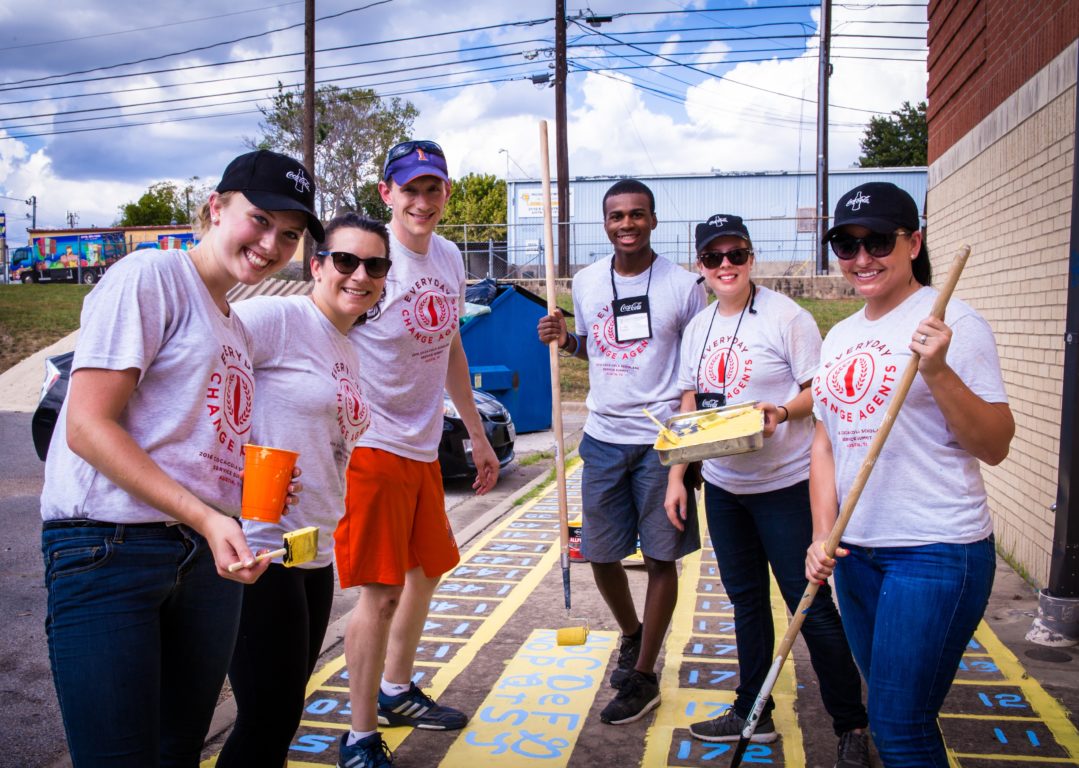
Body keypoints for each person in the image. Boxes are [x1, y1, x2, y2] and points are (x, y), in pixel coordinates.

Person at [39, 149, 322, 767]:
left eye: (291, 234)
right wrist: (208, 517)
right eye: (261, 220)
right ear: (216, 208)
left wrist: (250, 482)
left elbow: (187, 440)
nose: (273, 243)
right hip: (109, 548)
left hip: (205, 563)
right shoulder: (152, 276)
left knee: (177, 754)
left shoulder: (234, 327)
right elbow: (87, 426)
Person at [806, 182, 1014, 767]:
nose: (862, 257)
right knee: (901, 719)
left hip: (935, 549)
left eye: (877, 240)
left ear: (913, 241)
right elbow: (824, 440)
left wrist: (940, 371)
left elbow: (995, 445)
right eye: (846, 244)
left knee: (898, 728)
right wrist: (823, 533)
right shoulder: (842, 335)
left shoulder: (954, 321)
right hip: (858, 555)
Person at [665, 214, 870, 767]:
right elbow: (691, 402)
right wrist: (678, 476)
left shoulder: (788, 317)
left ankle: (852, 725)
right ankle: (752, 712)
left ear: (751, 258)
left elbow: (818, 392)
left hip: (785, 485)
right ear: (701, 266)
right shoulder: (698, 327)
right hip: (725, 488)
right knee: (745, 604)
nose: (725, 265)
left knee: (810, 605)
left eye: (736, 254)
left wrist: (779, 410)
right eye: (713, 257)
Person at [334, 139, 500, 768]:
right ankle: (359, 734)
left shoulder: (451, 257)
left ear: (447, 193)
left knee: (426, 569)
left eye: (433, 189)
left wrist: (476, 434)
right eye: (410, 190)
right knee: (377, 593)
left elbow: (450, 346)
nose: (422, 202)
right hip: (372, 448)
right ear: (387, 194)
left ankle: (398, 689)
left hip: (422, 445)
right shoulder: (373, 265)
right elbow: (328, 338)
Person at [216, 214, 391, 767]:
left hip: (311, 551)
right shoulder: (277, 318)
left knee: (284, 711)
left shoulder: (347, 347)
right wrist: (236, 465)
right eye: (345, 260)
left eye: (375, 265)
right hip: (258, 547)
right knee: (267, 716)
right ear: (316, 266)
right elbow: (195, 373)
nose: (360, 274)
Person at [536, 179, 705, 725]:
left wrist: (688, 452)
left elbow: (696, 370)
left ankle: (644, 674)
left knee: (660, 557)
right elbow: (592, 346)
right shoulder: (586, 282)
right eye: (616, 216)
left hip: (661, 440)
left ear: (654, 219)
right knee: (601, 554)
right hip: (603, 438)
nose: (626, 224)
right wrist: (564, 339)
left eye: (637, 214)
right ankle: (633, 634)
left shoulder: (683, 286)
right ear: (604, 223)